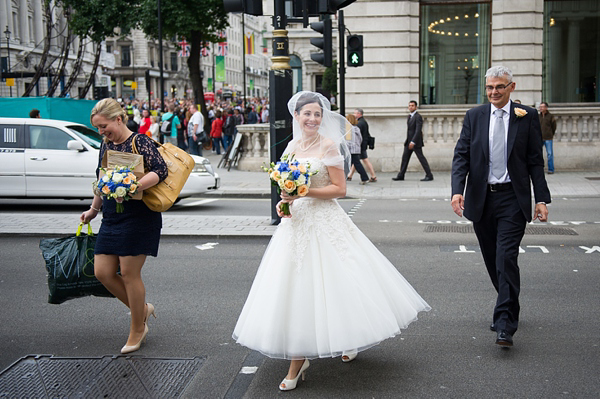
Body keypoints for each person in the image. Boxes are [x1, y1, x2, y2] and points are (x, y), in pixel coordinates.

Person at [233, 91, 430, 391]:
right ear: (296, 117)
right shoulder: (291, 146)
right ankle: (299, 359)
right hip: (296, 224)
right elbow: (285, 184)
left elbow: (339, 189)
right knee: (296, 289)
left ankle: (343, 340)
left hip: (325, 220)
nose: (312, 119)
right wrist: (284, 202)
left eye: (317, 114)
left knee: (341, 283)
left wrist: (304, 193)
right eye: (307, 114)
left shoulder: (329, 145)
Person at [451, 66, 551, 347]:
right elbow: (462, 156)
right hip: (482, 198)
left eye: (500, 87)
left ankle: (505, 322)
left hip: (512, 199)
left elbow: (534, 161)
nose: (494, 92)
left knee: (506, 257)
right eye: (490, 87)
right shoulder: (475, 116)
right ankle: (508, 303)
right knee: (493, 259)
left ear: (511, 87)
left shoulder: (527, 116)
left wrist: (541, 198)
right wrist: (457, 191)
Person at [80, 98, 167, 354]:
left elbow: (160, 170)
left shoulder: (140, 142)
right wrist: (93, 210)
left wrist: (133, 186)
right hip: (111, 216)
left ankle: (137, 328)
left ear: (118, 119)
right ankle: (143, 309)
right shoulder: (105, 145)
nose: (101, 132)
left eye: (103, 125)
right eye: (97, 128)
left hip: (139, 216)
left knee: (129, 274)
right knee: (103, 272)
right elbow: (101, 178)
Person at [393, 101, 434, 182]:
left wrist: (413, 141)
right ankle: (401, 175)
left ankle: (429, 175)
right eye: (409, 106)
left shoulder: (418, 116)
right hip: (408, 141)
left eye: (412, 106)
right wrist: (409, 141)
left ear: (416, 107)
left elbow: (418, 130)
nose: (410, 107)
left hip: (415, 142)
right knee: (405, 158)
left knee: (421, 158)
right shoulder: (409, 116)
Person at [347, 108, 377, 182]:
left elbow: (350, 140)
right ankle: (349, 176)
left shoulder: (357, 124)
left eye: (355, 113)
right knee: (356, 162)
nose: (354, 114)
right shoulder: (360, 123)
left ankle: (371, 176)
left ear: (359, 114)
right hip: (358, 146)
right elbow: (360, 137)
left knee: (360, 161)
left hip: (357, 147)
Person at [346, 113, 369, 185]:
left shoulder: (348, 128)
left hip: (350, 149)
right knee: (355, 164)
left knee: (356, 164)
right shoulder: (356, 128)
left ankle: (364, 178)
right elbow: (360, 139)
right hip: (356, 149)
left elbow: (348, 140)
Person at [539, 102, 557, 174]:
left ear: (546, 108)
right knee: (538, 154)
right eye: (540, 107)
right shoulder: (538, 116)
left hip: (548, 138)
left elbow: (554, 126)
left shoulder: (550, 116)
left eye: (542, 107)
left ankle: (551, 169)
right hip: (540, 138)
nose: (541, 108)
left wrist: (551, 134)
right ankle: (539, 168)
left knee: (549, 154)